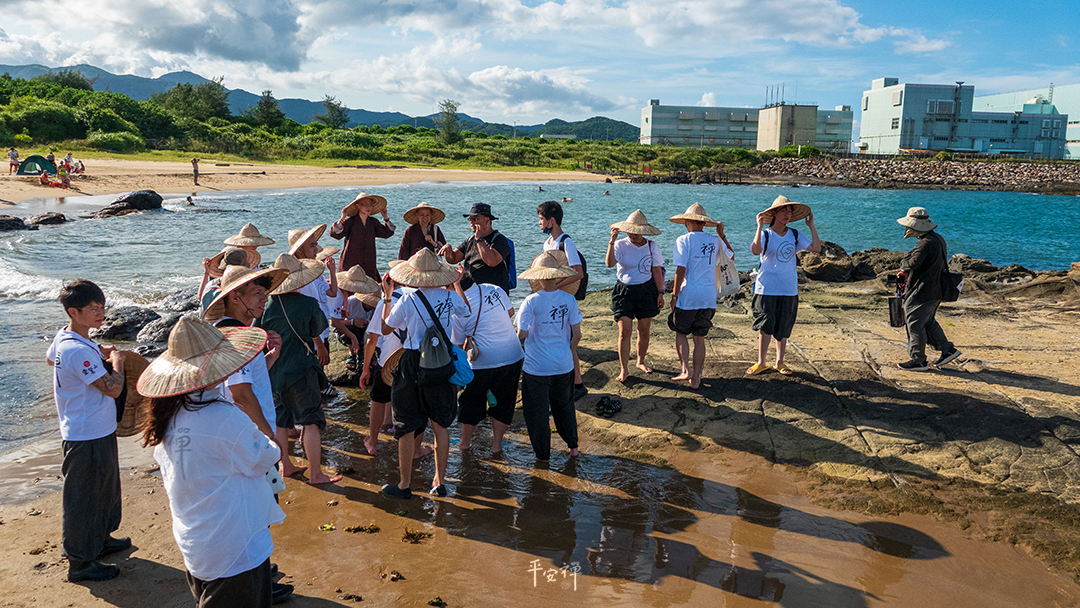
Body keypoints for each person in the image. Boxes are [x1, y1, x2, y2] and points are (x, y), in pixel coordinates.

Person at [137, 316, 284, 608]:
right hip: (235, 545)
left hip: (197, 541)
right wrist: (266, 437)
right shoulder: (222, 416)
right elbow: (264, 457)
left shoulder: (171, 414)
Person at [200, 264, 295, 604]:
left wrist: (268, 359)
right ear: (235, 297)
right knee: (255, 512)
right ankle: (258, 580)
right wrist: (271, 439)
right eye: (257, 294)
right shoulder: (238, 336)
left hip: (235, 435)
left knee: (252, 510)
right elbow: (240, 394)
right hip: (247, 437)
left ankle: (261, 575)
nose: (263, 300)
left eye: (264, 293)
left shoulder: (225, 333)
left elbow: (240, 384)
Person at [45, 280, 130, 582]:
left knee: (105, 491)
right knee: (82, 500)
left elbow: (50, 358)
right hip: (85, 434)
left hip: (97, 428)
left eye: (102, 307)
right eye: (93, 309)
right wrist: (117, 362)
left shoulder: (68, 337)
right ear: (74, 312)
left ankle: (101, 540)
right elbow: (113, 388)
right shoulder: (74, 348)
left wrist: (97, 352)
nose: (101, 313)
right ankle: (80, 563)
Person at [377, 249, 469, 499]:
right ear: (438, 273)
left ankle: (405, 484)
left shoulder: (407, 299)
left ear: (414, 274)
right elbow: (466, 312)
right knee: (440, 424)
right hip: (441, 362)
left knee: (407, 425)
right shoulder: (450, 296)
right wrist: (456, 284)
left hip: (412, 362)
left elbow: (385, 329)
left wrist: (387, 297)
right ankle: (440, 482)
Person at [257, 254, 342, 485]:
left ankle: (285, 465)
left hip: (274, 370)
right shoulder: (308, 304)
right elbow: (318, 328)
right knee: (311, 420)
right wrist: (319, 344)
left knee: (281, 421)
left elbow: (256, 334)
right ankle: (316, 473)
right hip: (301, 369)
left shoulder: (265, 305)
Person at [516, 252, 582, 462]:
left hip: (537, 367)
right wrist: (568, 349)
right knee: (565, 407)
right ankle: (573, 447)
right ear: (556, 275)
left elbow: (522, 333)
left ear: (538, 277)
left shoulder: (531, 301)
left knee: (537, 413)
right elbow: (577, 334)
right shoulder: (569, 299)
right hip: (563, 364)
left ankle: (543, 455)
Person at [747, 195, 821, 376]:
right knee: (765, 325)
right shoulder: (766, 234)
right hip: (766, 288)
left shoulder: (795, 235)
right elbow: (755, 250)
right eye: (783, 210)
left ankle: (780, 362)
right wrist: (759, 227)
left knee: (784, 326)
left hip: (788, 288)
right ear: (774, 213)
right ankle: (761, 362)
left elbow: (816, 248)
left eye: (789, 211)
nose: (787, 214)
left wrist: (811, 225)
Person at [450, 275, 523, 453]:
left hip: (482, 361)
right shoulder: (494, 288)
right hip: (512, 354)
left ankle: (464, 444)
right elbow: (510, 312)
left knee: (470, 402)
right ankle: (497, 446)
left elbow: (457, 345)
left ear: (453, 287)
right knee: (504, 402)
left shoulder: (458, 308)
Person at [668, 203, 730, 389]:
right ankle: (696, 378)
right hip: (708, 295)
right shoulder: (714, 240)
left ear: (687, 222)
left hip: (689, 294)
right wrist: (722, 235)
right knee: (699, 339)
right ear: (703, 223)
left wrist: (674, 295)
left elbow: (680, 269)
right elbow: (731, 257)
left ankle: (685, 370)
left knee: (681, 332)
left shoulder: (683, 240)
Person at [896, 207, 961, 371]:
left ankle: (918, 360)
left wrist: (904, 264)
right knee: (928, 322)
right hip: (935, 290)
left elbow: (913, 263)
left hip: (922, 291)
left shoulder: (924, 243)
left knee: (914, 324)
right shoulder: (938, 239)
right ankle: (947, 350)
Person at [605, 210, 665, 383]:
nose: (634, 234)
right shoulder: (620, 245)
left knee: (644, 331)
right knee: (624, 332)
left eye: (638, 232)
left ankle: (640, 361)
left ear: (644, 231)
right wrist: (612, 241)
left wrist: (660, 293)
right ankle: (624, 369)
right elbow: (609, 264)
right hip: (624, 292)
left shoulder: (651, 246)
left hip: (646, 290)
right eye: (631, 231)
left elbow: (656, 270)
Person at [537, 200, 587, 400]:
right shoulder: (548, 242)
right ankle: (563, 382)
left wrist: (556, 286)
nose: (539, 223)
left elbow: (578, 273)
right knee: (557, 340)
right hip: (552, 298)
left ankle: (578, 385)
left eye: (541, 219)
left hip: (564, 298)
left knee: (568, 342)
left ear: (551, 221)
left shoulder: (566, 242)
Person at [289, 225, 340, 396]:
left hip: (321, 330)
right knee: (313, 373)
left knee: (319, 370)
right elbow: (305, 315)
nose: (317, 249)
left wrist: (332, 271)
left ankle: (320, 394)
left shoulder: (315, 272)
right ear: (300, 250)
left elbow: (332, 292)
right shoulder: (301, 278)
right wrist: (318, 343)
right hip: (313, 335)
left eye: (316, 245)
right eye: (312, 246)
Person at [440, 202, 513, 301]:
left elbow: (491, 261)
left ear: (487, 220)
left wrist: (479, 239)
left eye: (475, 219)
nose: (471, 222)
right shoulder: (470, 240)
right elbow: (453, 259)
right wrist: (447, 248)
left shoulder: (499, 240)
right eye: (470, 219)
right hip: (470, 293)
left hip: (492, 296)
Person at [329, 192, 395, 282]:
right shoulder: (350, 222)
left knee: (369, 287)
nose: (368, 207)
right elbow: (335, 234)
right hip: (350, 264)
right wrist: (342, 218)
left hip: (368, 264)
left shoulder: (373, 222)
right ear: (358, 206)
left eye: (370, 204)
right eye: (365, 204)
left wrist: (386, 218)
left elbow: (387, 233)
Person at [332, 266, 380, 370]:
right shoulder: (351, 302)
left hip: (366, 332)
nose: (371, 305)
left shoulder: (377, 308)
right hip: (351, 330)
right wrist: (353, 322)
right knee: (352, 329)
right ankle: (352, 353)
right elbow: (335, 323)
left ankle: (369, 352)